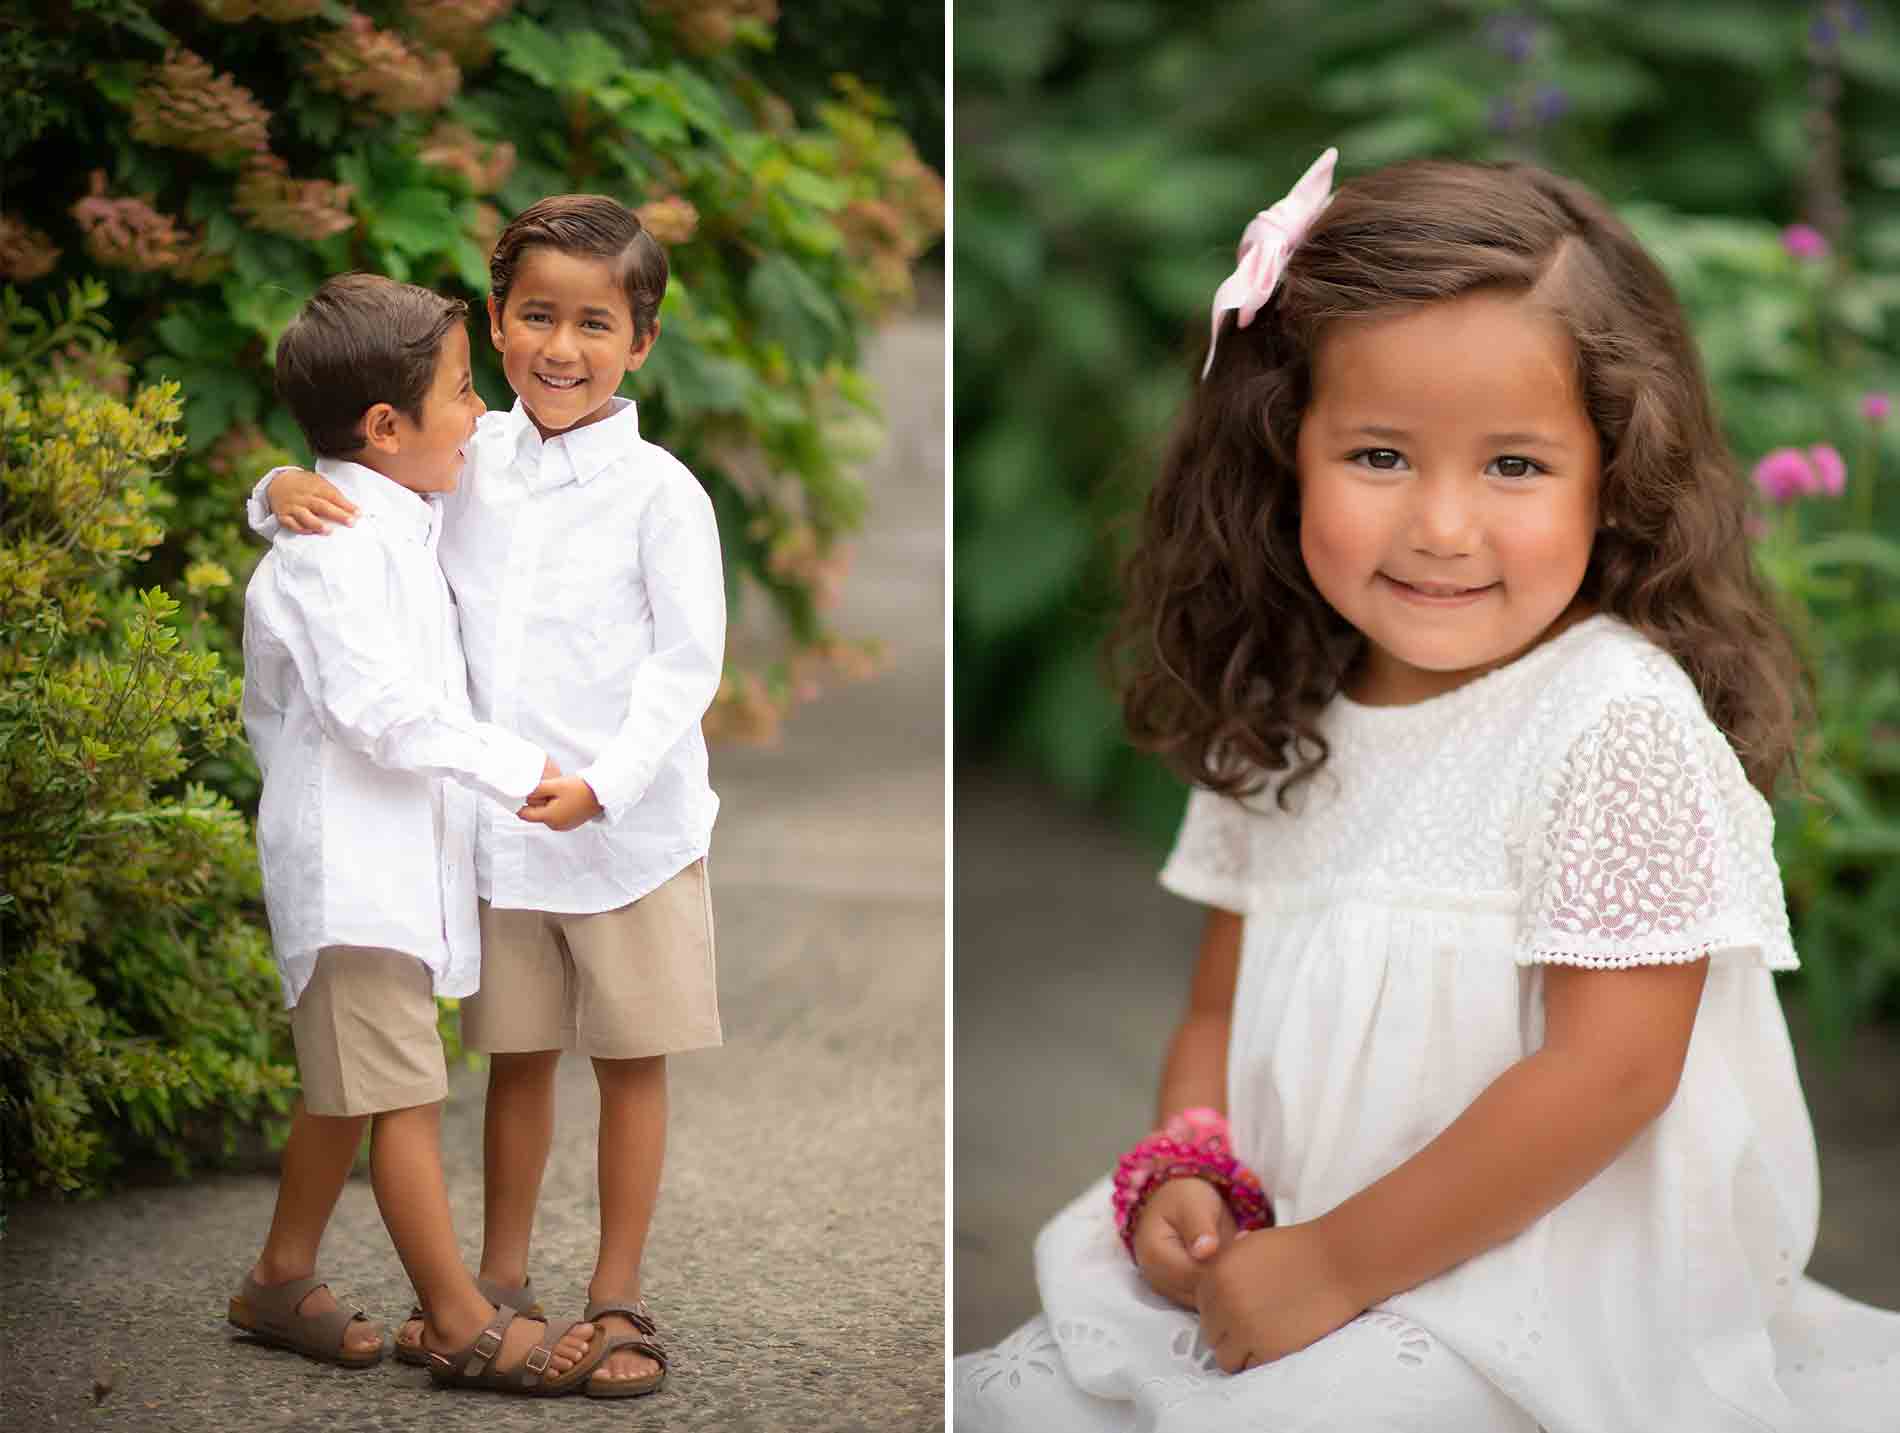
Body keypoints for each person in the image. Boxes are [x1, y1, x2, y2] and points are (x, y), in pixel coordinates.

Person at [953, 151, 1900, 1432]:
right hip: (1294, 1252)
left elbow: (1610, 1072)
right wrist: (1193, 1156)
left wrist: (1338, 1265)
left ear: (1610, 473)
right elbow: (1219, 1003)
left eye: (1513, 466)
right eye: (1381, 453)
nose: (1442, 525)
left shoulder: (1609, 720)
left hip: (1550, 1286)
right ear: (1284, 454)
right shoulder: (1287, 713)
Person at [249, 196, 725, 1399]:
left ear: (643, 341)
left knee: (629, 1056)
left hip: (626, 830)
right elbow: (353, 495)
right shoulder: (466, 460)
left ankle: (615, 1290)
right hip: (500, 835)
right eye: (534, 317)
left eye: (595, 323)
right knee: (518, 1053)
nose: (560, 347)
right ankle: (499, 1281)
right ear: (500, 323)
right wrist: (272, 487)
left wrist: (603, 786)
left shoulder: (662, 493)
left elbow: (685, 667)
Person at [232, 272, 612, 1395]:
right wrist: (519, 767)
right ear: (387, 428)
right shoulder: (335, 546)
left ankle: (279, 1277)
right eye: (462, 390)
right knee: (399, 1094)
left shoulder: (400, 500)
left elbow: (345, 477)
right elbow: (378, 710)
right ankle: (457, 1315)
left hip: (392, 864)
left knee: (347, 1082)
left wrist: (274, 480)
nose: (484, 412)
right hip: (349, 871)